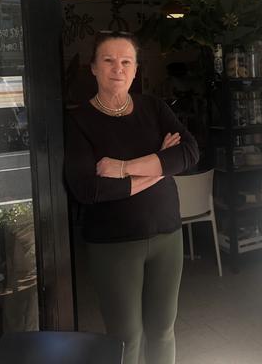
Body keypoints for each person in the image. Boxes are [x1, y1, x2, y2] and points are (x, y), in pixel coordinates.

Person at [64, 31, 199, 364]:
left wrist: (122, 167)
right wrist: (160, 164)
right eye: (108, 60)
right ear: (93, 67)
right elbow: (88, 189)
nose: (117, 68)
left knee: (163, 330)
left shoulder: (154, 107)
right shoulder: (77, 120)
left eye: (126, 61)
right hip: (113, 243)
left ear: (136, 70)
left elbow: (190, 151)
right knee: (125, 337)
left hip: (168, 235)